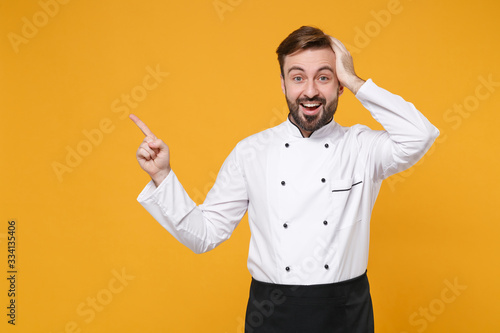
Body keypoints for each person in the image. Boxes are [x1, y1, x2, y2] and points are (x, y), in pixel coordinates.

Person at [130, 26, 439, 332]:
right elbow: (205, 235)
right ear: (283, 84)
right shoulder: (251, 152)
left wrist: (356, 80)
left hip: (346, 312)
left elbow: (420, 134)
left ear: (339, 85)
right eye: (298, 77)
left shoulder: (362, 147)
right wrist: (162, 176)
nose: (310, 91)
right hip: (272, 313)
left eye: (324, 76)